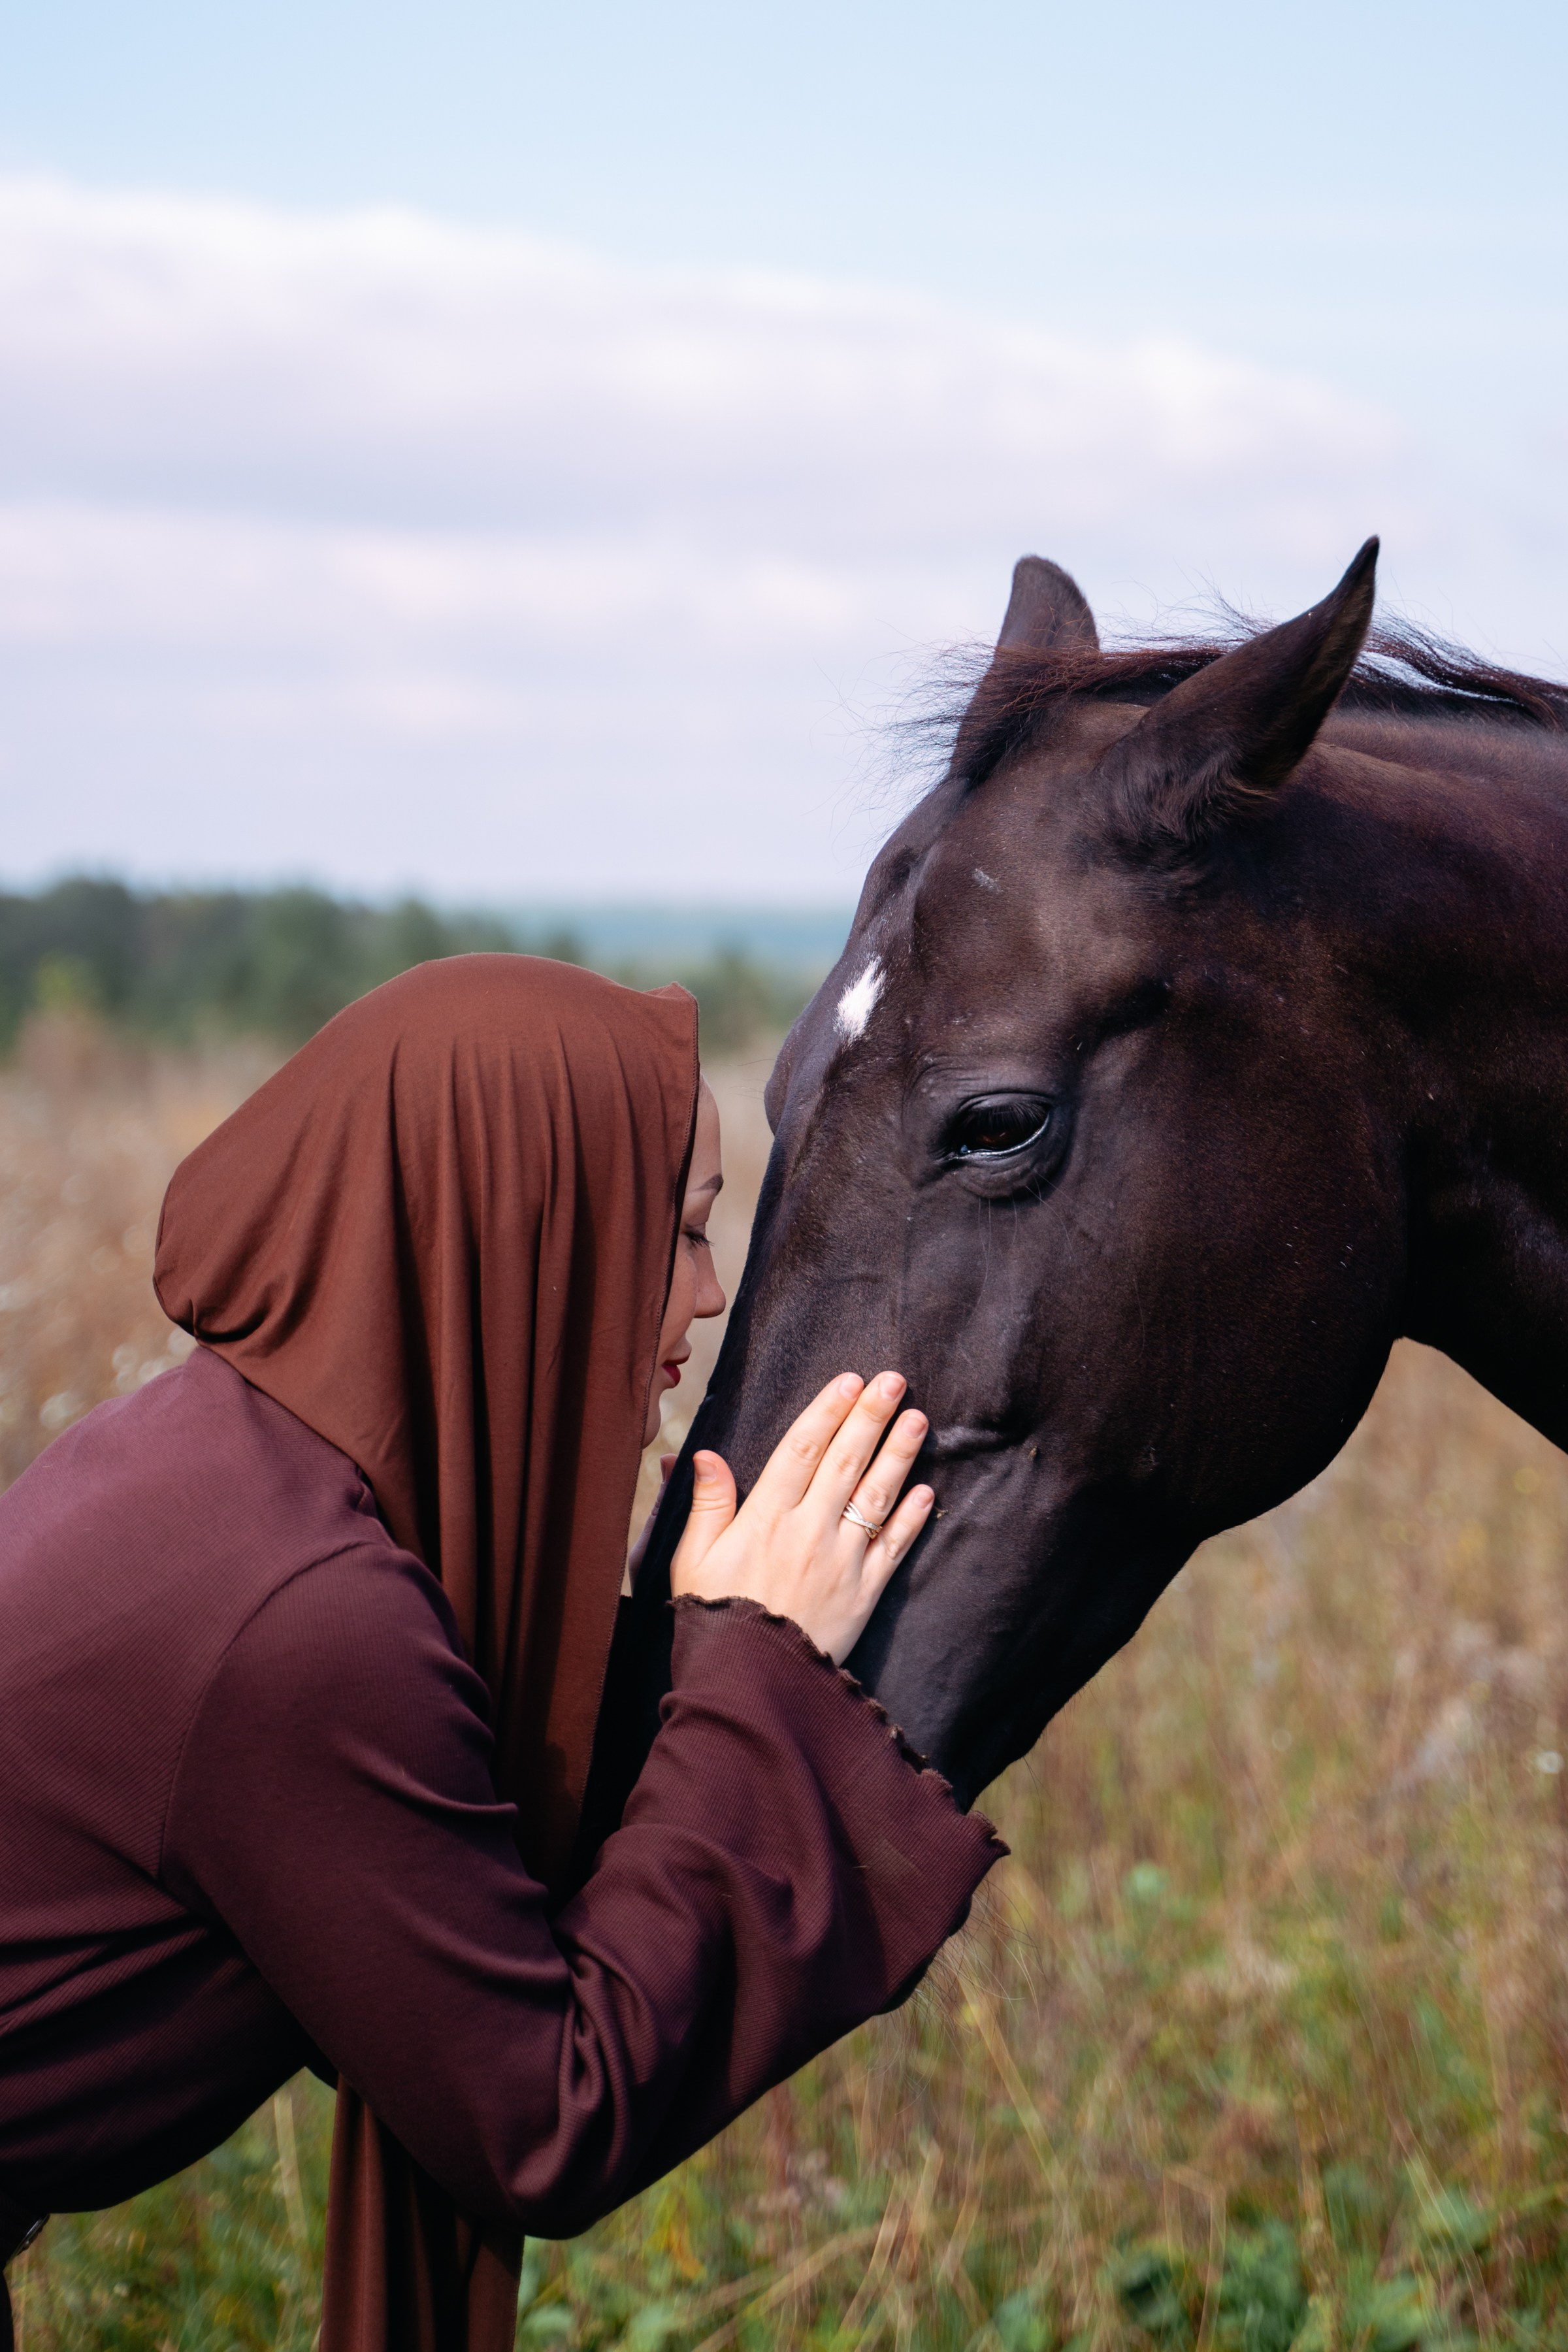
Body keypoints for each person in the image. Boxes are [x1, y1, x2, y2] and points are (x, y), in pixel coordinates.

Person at [0, 955, 1000, 2352]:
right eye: (687, 1229)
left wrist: (688, 1654)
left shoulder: (225, 1463)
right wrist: (761, 1673)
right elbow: (545, 2116)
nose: (712, 1296)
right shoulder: (298, 1617)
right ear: (537, 1229)